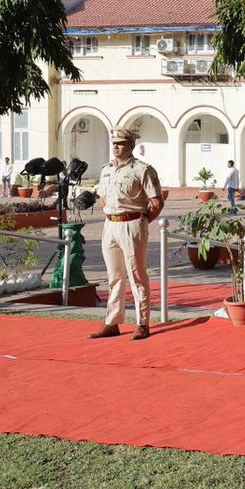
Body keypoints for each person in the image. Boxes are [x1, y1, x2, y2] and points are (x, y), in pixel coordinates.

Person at [87, 127, 164, 341]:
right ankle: (112, 322)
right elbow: (102, 197)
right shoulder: (106, 170)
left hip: (132, 224)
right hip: (110, 225)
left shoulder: (142, 169)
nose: (116, 146)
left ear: (131, 145)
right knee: (115, 277)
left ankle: (142, 323)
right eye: (114, 143)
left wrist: (143, 220)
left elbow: (156, 201)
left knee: (137, 275)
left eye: (120, 142)